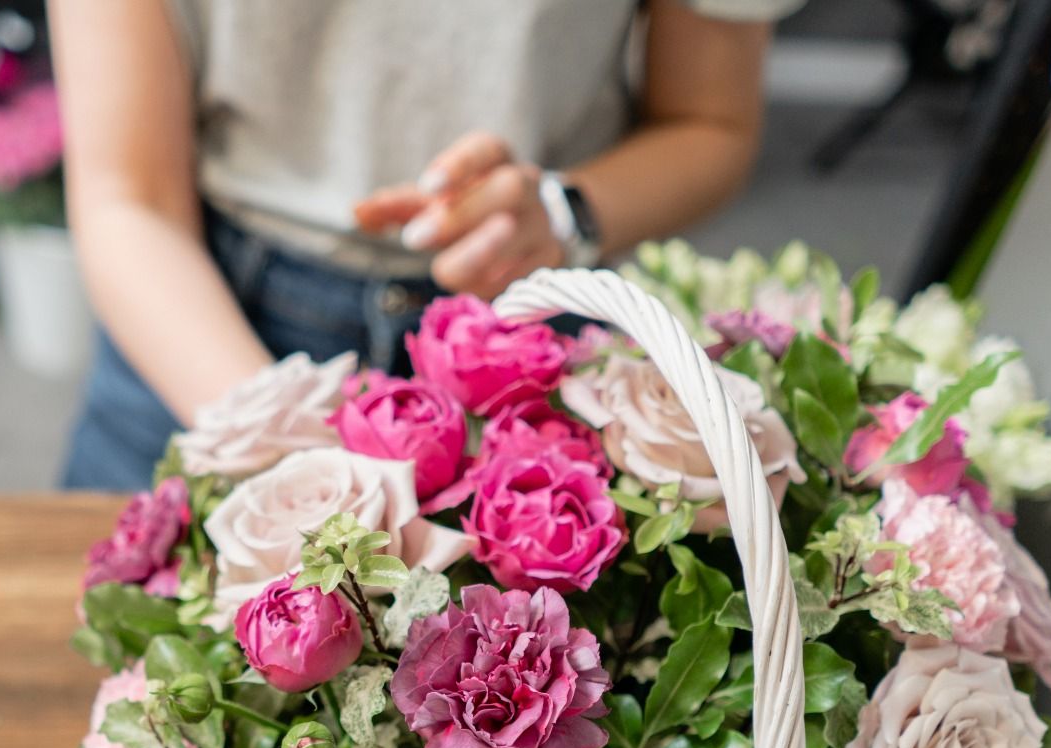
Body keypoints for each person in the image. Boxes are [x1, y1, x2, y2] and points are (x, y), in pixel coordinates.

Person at [50, 0, 800, 490]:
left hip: (534, 331)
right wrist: (289, 455)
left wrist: (561, 213)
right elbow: (129, 196)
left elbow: (710, 121)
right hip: (199, 327)